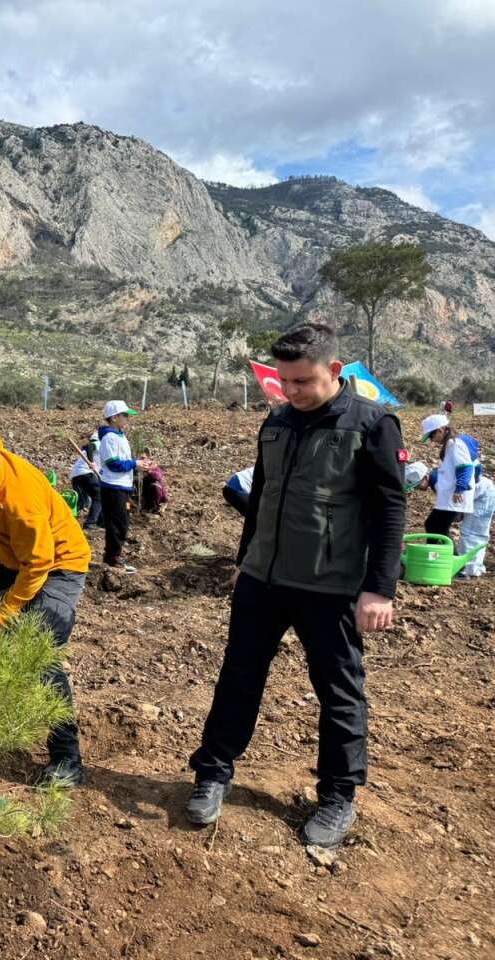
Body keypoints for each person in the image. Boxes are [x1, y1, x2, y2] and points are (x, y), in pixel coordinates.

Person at [185, 323, 405, 850]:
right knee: (238, 677)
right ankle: (213, 772)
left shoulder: (372, 424)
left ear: (334, 371)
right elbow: (261, 495)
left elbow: (391, 509)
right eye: (284, 381)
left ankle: (337, 795)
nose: (291, 391)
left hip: (330, 586)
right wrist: (244, 559)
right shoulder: (278, 420)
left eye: (302, 381)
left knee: (339, 691)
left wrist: (380, 588)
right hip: (263, 579)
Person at [0, 424, 91, 786]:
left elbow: (38, 565)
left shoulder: (19, 500)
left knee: (37, 654)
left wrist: (3, 614)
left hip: (58, 565)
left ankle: (67, 759)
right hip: (15, 560)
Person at [96, 400, 155, 573]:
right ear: (114, 417)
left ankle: (114, 556)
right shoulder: (109, 438)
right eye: (125, 415)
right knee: (117, 524)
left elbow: (123, 461)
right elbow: (113, 464)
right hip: (113, 487)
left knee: (122, 523)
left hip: (122, 486)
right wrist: (135, 464)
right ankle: (113, 559)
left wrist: (140, 464)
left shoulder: (120, 436)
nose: (128, 418)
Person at [419, 414, 479, 539]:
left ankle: (444, 557)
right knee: (433, 526)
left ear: (440, 430)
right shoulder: (451, 444)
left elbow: (465, 466)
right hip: (449, 496)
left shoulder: (455, 443)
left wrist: (460, 488)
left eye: (431, 435)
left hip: (455, 496)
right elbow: (449, 470)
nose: (431, 440)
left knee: (436, 528)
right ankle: (438, 556)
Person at [69, 431, 101, 530]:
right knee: (99, 497)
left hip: (75, 475)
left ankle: (70, 522)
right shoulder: (98, 443)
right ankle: (90, 524)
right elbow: (90, 446)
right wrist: (91, 462)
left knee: (82, 502)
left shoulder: (88, 449)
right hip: (85, 473)